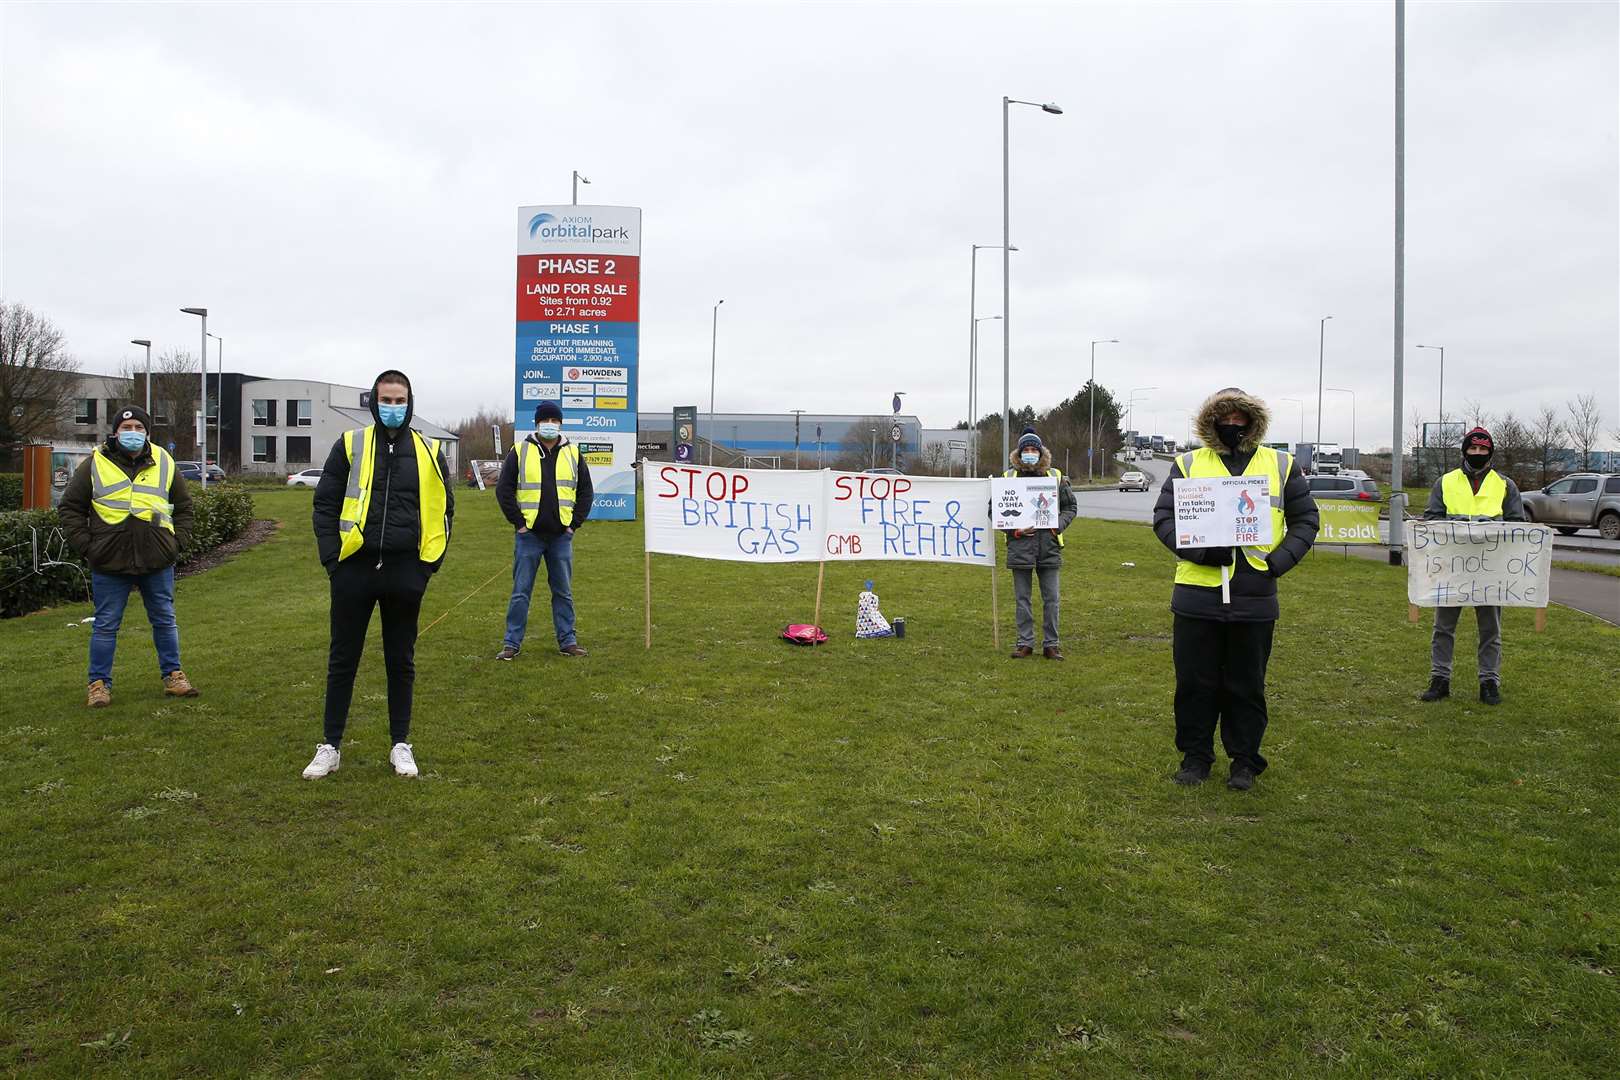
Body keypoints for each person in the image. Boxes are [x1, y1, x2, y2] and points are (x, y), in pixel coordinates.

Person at [1152, 388, 1318, 790]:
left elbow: (1305, 521)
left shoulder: (1280, 464)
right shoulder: (1188, 464)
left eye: (1240, 418)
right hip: (1196, 595)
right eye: (1223, 418)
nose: (1232, 425)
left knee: (1247, 684)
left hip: (1254, 596)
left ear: (1253, 421)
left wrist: (1275, 564)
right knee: (1195, 683)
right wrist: (1203, 553)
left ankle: (1245, 761)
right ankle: (1195, 757)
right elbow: (1163, 520)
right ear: (1210, 422)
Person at [303, 371, 453, 780]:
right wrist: (333, 563)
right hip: (354, 569)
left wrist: (426, 568)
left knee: (400, 661)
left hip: (406, 571)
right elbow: (325, 505)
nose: (393, 407)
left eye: (399, 400)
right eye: (386, 400)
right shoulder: (350, 444)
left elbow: (444, 510)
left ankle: (400, 744)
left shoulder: (428, 449)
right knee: (342, 659)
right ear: (374, 403)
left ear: (410, 402)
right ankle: (330, 746)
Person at [58, 405, 198, 707]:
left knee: (164, 620)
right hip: (110, 559)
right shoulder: (95, 462)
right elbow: (70, 508)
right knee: (106, 624)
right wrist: (87, 546)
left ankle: (174, 676)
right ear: (115, 432)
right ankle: (98, 685)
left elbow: (185, 508)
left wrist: (176, 544)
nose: (132, 433)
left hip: (156, 557)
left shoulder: (164, 460)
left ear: (147, 432)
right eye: (126, 428)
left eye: (138, 427)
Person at [1419, 426, 1525, 706]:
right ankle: (1439, 679)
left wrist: (1492, 527)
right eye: (1473, 448)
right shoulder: (1445, 482)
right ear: (1464, 451)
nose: (1477, 454)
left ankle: (1489, 682)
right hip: (1452, 567)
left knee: (1490, 629)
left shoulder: (1506, 485)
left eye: (1483, 449)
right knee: (1443, 627)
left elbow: (1518, 526)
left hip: (1491, 569)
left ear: (1490, 452)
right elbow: (1431, 520)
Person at [494, 400, 593, 660]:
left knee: (563, 592)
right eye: (545, 420)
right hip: (530, 537)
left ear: (560, 423)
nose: (550, 425)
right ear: (537, 423)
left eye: (554, 420)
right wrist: (519, 524)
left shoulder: (573, 453)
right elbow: (503, 490)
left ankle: (567, 641)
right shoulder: (520, 450)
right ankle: (511, 643)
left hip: (561, 537)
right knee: (520, 592)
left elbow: (586, 492)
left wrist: (573, 525)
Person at [1003, 427, 1077, 660]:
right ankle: (1025, 643)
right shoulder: (1008, 478)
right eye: (1027, 449)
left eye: (1035, 449)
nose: (1031, 453)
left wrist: (1057, 526)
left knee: (1052, 599)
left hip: (1049, 547)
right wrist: (1013, 530)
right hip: (1020, 548)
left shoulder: (1055, 476)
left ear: (1041, 452)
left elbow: (1070, 507)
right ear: (1019, 452)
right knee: (1022, 600)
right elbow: (995, 511)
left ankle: (1051, 644)